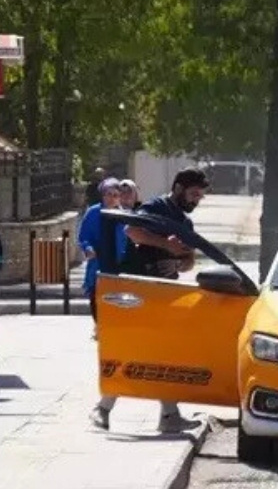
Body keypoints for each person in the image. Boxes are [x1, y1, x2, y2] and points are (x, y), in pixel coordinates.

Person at [89, 168, 206, 433]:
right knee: (133, 351)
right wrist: (167, 245)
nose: (196, 200)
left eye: (199, 196)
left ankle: (169, 415)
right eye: (193, 194)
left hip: (164, 293)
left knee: (163, 354)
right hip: (138, 292)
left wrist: (177, 259)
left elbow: (188, 261)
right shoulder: (157, 207)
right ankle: (103, 408)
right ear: (178, 188)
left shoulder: (185, 223)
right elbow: (133, 231)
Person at [78, 178, 125, 333]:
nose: (111, 198)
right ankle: (99, 324)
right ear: (103, 196)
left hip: (118, 262)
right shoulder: (93, 212)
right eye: (108, 194)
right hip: (98, 259)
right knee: (95, 293)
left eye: (115, 195)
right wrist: (88, 248)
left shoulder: (124, 215)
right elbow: (84, 235)